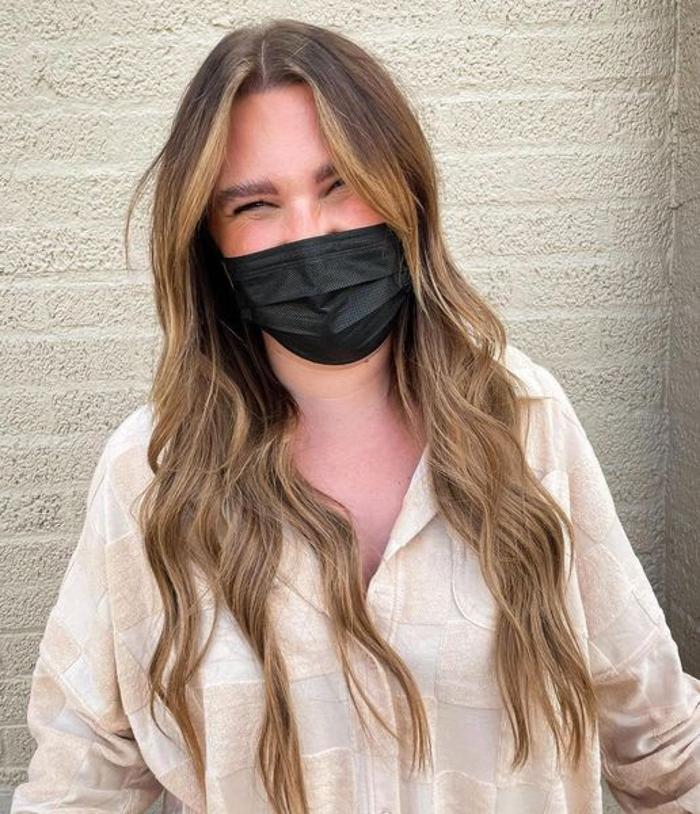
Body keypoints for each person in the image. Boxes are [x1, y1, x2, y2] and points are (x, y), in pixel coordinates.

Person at [10, 18, 700, 814]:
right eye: (257, 205)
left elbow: (659, 740)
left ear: (402, 188)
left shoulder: (522, 421)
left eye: (339, 184)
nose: (309, 234)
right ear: (210, 244)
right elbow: (84, 774)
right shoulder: (152, 472)